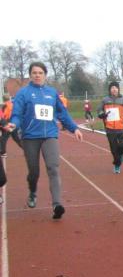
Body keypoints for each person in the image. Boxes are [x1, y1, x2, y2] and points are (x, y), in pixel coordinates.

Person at [7, 62, 83, 219]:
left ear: (45, 75)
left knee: (53, 168)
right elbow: (17, 114)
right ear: (30, 75)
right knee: (34, 171)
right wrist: (14, 124)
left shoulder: (52, 93)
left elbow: (62, 113)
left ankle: (57, 205)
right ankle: (32, 192)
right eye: (34, 72)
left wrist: (74, 128)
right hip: (30, 137)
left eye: (40, 72)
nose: (37, 75)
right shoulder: (23, 93)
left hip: (50, 135)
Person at [97, 81, 123, 173]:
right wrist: (102, 114)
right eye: (112, 88)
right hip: (109, 128)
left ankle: (121, 155)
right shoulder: (105, 100)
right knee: (114, 149)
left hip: (121, 127)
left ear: (118, 89)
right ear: (110, 90)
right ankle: (117, 165)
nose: (114, 89)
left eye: (116, 87)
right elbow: (99, 110)